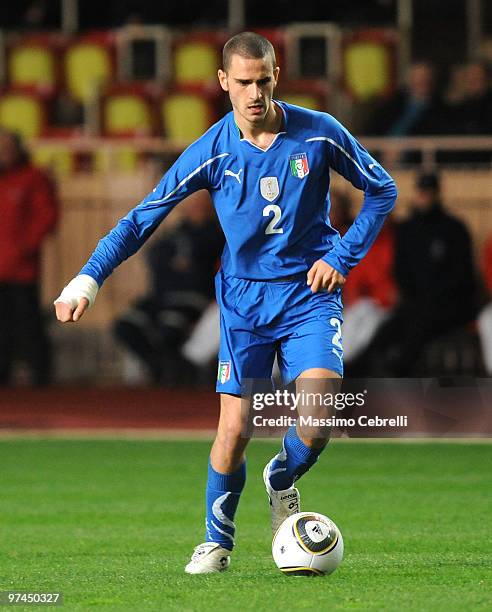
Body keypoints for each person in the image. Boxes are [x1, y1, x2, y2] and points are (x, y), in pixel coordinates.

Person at [54, 32, 397, 573]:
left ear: (275, 76)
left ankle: (280, 476)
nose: (254, 93)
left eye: (263, 81)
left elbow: (383, 190)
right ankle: (217, 542)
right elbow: (143, 218)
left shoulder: (319, 133)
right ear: (223, 83)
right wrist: (87, 280)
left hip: (311, 292)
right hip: (243, 303)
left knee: (319, 416)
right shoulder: (211, 150)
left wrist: (344, 255)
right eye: (243, 83)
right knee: (235, 430)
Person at [349, 172, 477, 377]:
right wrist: (412, 295)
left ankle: (399, 370)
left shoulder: (454, 229)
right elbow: (400, 271)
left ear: (437, 194)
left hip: (449, 305)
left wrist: (432, 297)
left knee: (418, 327)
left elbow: (462, 276)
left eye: (429, 192)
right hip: (415, 303)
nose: (425, 197)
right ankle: (357, 369)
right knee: (390, 328)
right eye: (422, 192)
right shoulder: (408, 230)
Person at [113, 190, 223, 385]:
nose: (194, 207)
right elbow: (154, 258)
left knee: (169, 326)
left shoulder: (218, 236)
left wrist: (183, 266)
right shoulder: (173, 234)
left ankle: (176, 373)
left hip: (194, 298)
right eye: (191, 202)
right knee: (126, 325)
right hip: (160, 297)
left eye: (200, 203)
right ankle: (159, 368)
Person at [0, 129, 58, 386]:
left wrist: (25, 248)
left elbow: (46, 216)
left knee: (28, 322)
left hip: (22, 268)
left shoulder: (33, 178)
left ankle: (40, 377)